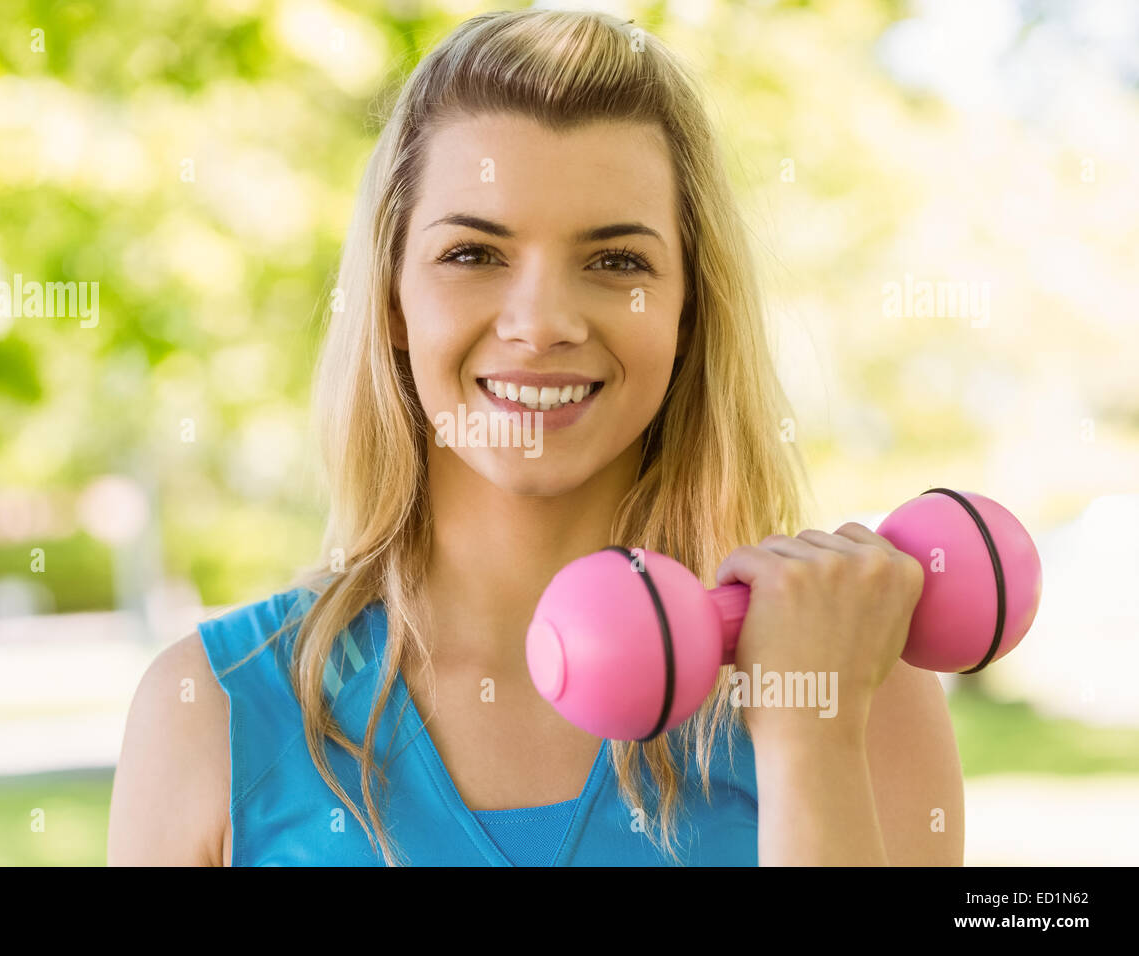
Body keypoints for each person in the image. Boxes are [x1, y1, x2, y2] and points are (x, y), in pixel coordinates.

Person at [108, 8, 963, 867]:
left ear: (686, 312)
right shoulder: (210, 713)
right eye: (474, 255)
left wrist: (809, 741)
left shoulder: (857, 687)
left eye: (617, 261)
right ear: (393, 299)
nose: (543, 323)